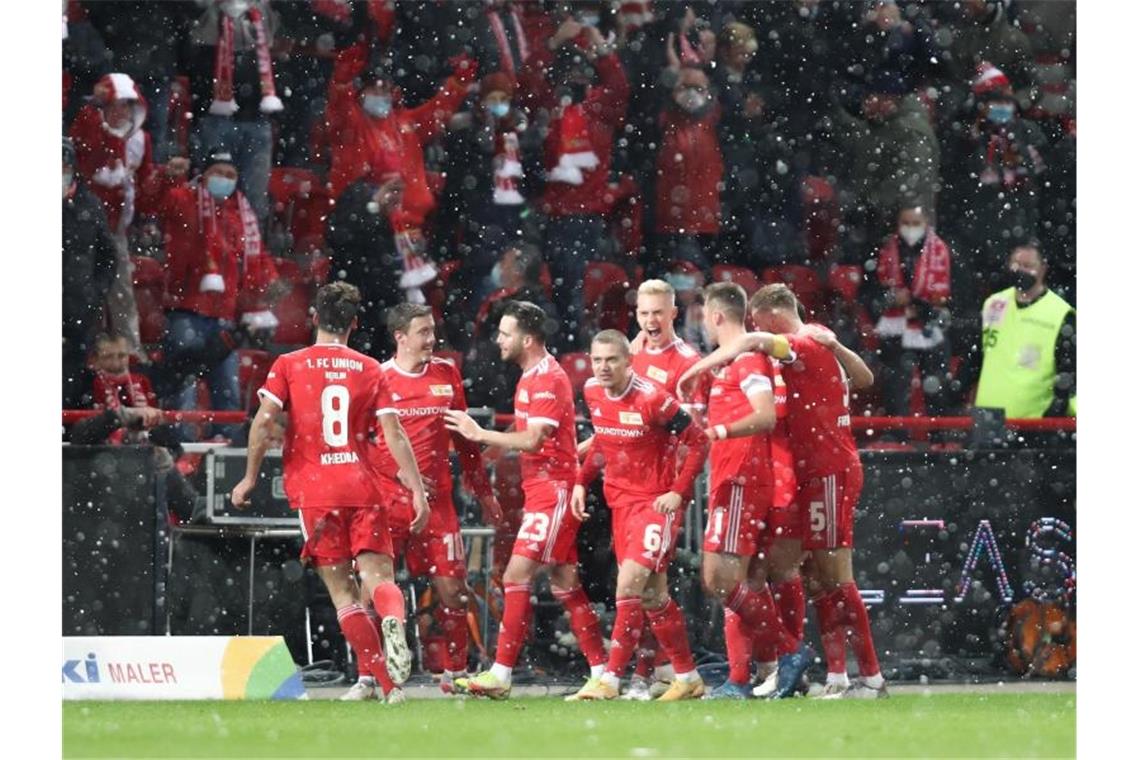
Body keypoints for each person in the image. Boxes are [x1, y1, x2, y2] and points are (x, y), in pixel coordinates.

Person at [679, 284, 889, 699]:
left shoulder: (801, 342)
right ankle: (836, 677)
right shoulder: (819, 341)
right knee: (815, 579)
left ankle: (871, 677)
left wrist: (696, 368)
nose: (756, 332)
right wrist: (840, 347)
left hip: (829, 469)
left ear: (773, 315)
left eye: (759, 322)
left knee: (835, 578)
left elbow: (755, 341)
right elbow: (864, 377)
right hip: (813, 472)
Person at [231, 282, 430, 704]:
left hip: (316, 491)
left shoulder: (288, 364)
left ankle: (390, 688)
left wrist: (248, 477)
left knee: (343, 596)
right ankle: (394, 619)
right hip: (363, 485)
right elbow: (393, 432)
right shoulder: (371, 368)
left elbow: (265, 422)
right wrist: (416, 488)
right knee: (378, 580)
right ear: (355, 324)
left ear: (316, 319)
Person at [443, 301, 608, 698]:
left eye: (505, 333)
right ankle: (605, 671)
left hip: (553, 492)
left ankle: (501, 674)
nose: (499, 339)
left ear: (527, 338)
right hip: (545, 490)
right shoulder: (531, 376)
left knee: (517, 576)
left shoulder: (546, 379)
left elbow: (535, 438)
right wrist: (489, 458)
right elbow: (529, 429)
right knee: (565, 582)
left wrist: (480, 434)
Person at [685, 282, 813, 700]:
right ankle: (740, 679)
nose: (704, 321)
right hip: (734, 477)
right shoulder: (727, 365)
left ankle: (790, 652)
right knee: (742, 583)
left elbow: (765, 416)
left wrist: (718, 430)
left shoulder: (748, 361)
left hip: (741, 478)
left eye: (705, 314)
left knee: (717, 578)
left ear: (716, 316)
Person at [567, 330, 709, 701]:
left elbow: (699, 441)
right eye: (597, 360)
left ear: (629, 361)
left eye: (611, 359)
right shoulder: (593, 393)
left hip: (654, 504)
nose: (603, 367)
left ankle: (610, 680)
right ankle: (688, 676)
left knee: (628, 586)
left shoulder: (653, 399)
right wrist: (581, 481)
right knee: (652, 597)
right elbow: (602, 441)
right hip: (621, 504)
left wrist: (677, 493)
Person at [369, 303, 503, 696]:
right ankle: (374, 676)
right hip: (390, 502)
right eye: (423, 332)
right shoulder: (378, 377)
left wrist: (483, 492)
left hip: (439, 505)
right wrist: (401, 474)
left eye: (432, 331)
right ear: (400, 337)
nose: (431, 339)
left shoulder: (446, 374)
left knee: (454, 592)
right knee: (379, 591)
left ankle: (454, 674)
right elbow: (363, 441)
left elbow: (465, 439)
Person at [325, 38, 476, 302]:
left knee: (413, 310)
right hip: (370, 232)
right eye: (375, 90)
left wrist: (460, 82)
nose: (380, 96)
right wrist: (341, 81)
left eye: (385, 90)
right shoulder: (354, 122)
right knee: (381, 304)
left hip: (411, 232)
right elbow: (339, 108)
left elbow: (438, 111)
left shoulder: (405, 123)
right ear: (362, 93)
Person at [151, 146, 282, 436]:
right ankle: (180, 446)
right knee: (182, 384)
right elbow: (162, 204)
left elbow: (256, 257)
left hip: (224, 315)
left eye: (230, 174)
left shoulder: (240, 213)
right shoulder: (185, 199)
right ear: (204, 175)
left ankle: (226, 450)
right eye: (219, 173)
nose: (225, 179)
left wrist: (270, 283)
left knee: (227, 390)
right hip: (186, 310)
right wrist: (170, 179)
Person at [69, 72, 180, 360]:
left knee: (121, 294)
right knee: (80, 294)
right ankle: (83, 353)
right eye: (114, 106)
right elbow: (88, 158)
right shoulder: (87, 127)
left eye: (126, 107)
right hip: (77, 229)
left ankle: (130, 354)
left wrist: (166, 179)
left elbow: (145, 198)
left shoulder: (141, 141)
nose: (120, 113)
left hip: (115, 231)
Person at [539, 19, 630, 348]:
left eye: (581, 76)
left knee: (571, 291)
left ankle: (572, 352)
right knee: (555, 291)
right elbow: (526, 85)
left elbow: (619, 85)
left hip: (581, 216)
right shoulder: (549, 109)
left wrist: (599, 45)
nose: (575, 82)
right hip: (548, 215)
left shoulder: (598, 108)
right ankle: (565, 350)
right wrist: (552, 44)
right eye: (569, 77)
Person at [186, 0, 285, 228]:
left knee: (254, 201)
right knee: (209, 195)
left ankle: (250, 254)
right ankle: (210, 247)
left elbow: (289, 17)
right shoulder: (206, 10)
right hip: (214, 116)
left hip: (257, 117)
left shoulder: (263, 9)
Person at [966, 243, 1075, 419]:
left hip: (1033, 422)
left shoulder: (1060, 314)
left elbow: (1069, 375)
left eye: (1028, 266)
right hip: (988, 417)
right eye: (1016, 264)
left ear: (1043, 269)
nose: (1020, 271)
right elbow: (974, 359)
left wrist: (1054, 413)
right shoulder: (993, 304)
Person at [870, 203, 954, 417]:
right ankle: (898, 437)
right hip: (895, 325)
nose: (910, 228)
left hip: (930, 324)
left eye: (916, 223)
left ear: (926, 223)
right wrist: (891, 298)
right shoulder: (886, 249)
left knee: (935, 384)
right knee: (895, 385)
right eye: (905, 223)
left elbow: (952, 294)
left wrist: (922, 304)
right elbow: (871, 290)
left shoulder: (942, 250)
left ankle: (938, 439)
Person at [63, 137, 117, 410]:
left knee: (72, 383)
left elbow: (108, 256)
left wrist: (96, 293)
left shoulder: (89, 205)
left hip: (79, 311)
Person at [653, 63, 723, 271]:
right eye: (684, 87)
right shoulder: (662, 121)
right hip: (668, 224)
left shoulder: (718, 123)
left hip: (707, 224)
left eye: (699, 88)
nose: (691, 94)